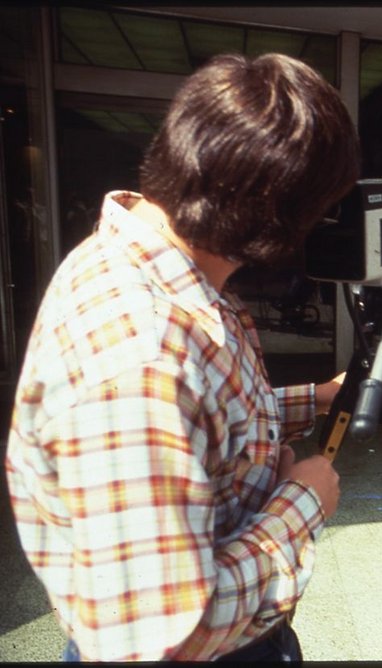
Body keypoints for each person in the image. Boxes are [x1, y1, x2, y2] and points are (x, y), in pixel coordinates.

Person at [4, 53, 361, 661]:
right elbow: (159, 638)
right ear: (275, 223)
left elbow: (197, 419)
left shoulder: (155, 264)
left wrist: (318, 397)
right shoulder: (138, 356)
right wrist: (304, 502)